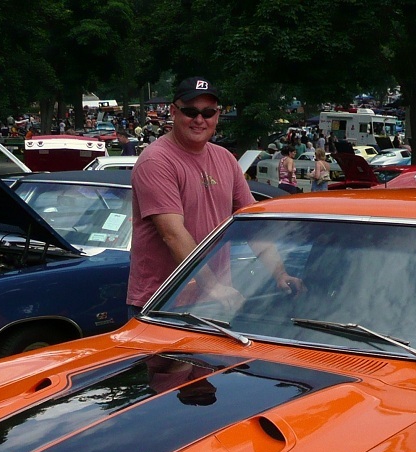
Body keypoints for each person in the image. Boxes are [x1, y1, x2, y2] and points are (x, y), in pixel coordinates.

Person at [127, 77, 301, 319]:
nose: (200, 120)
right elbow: (172, 234)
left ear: (217, 116)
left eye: (208, 113)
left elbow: (253, 226)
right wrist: (213, 287)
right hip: (163, 304)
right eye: (190, 112)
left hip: (215, 304)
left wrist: (280, 274)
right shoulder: (156, 161)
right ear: (173, 112)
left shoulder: (225, 159)